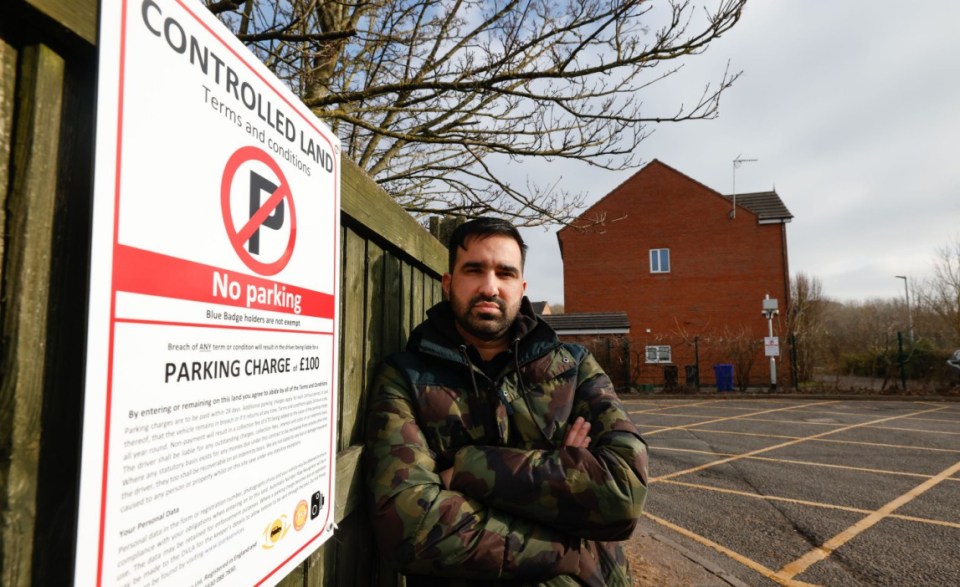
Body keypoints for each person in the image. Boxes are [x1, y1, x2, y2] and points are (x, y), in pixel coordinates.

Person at [364, 217, 648, 585]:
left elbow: (623, 494)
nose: (490, 286)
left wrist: (466, 472)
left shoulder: (573, 368)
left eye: (505, 273)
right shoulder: (406, 378)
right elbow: (411, 528)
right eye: (474, 270)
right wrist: (566, 515)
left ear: (522, 287)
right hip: (580, 566)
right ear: (448, 284)